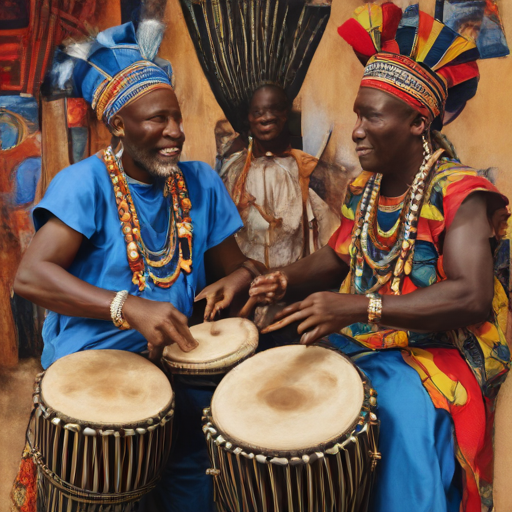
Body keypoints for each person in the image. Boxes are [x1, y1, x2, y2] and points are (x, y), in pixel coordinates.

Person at [240, 4, 511, 511]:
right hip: (371, 337)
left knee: (395, 414)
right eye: (357, 114)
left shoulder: (459, 193)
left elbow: (472, 297)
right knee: (276, 381)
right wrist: (280, 280)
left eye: (371, 116)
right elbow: (339, 257)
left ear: (417, 122)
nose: (356, 130)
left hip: (440, 352)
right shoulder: (367, 189)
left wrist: (358, 308)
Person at [11, 20, 261, 512]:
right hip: (97, 377)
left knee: (200, 479)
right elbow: (31, 276)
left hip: (185, 364)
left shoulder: (200, 183)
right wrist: (128, 308)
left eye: (176, 117)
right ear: (119, 125)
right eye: (156, 119)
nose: (174, 132)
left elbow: (240, 266)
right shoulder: (84, 184)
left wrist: (239, 279)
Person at [219, 84, 339, 270]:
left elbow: (329, 236)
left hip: (294, 285)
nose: (266, 118)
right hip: (244, 286)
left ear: (285, 114)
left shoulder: (305, 170)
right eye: (257, 112)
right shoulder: (234, 173)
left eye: (273, 110)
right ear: (248, 118)